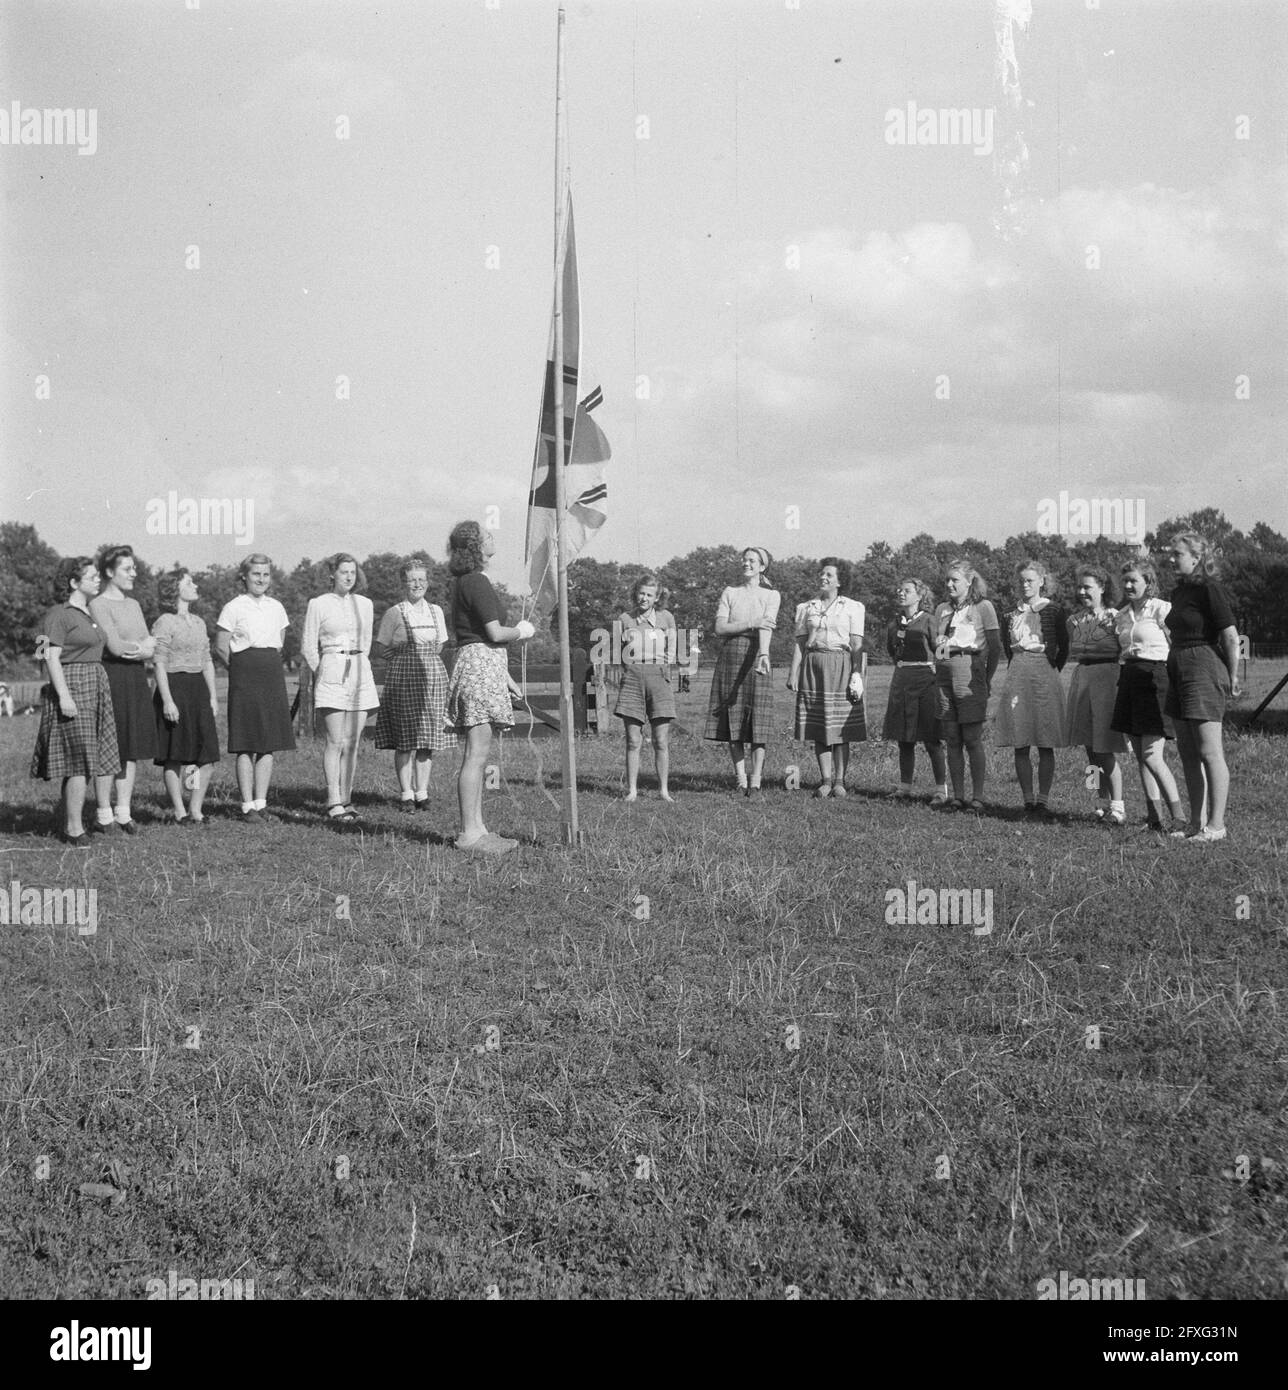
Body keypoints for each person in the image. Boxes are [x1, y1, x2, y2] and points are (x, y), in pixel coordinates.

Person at [443, 521, 535, 853]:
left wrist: (506, 680)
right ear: (476, 547)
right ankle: (469, 835)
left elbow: (480, 638)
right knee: (476, 754)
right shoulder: (477, 581)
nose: (494, 539)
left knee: (479, 755)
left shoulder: (466, 582)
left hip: (483, 669)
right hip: (479, 669)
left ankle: (478, 828)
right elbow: (495, 634)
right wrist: (522, 631)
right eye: (488, 537)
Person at [30, 556, 121, 844]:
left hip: (95, 684)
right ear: (73, 582)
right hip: (73, 686)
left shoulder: (88, 611)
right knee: (78, 760)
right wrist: (64, 695)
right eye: (92, 576)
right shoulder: (58, 614)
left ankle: (75, 822)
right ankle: (73, 829)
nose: (98, 579)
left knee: (89, 758)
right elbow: (47, 656)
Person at [1164, 532, 1240, 842]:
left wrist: (1232, 677)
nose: (1171, 558)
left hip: (1203, 666)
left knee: (1209, 751)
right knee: (1187, 751)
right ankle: (1195, 823)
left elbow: (1231, 636)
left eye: (1177, 553)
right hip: (1179, 665)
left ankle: (1216, 825)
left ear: (1196, 558)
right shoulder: (1179, 592)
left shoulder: (1210, 588)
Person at [214, 554, 295, 824]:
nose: (261, 579)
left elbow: (280, 641)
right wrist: (240, 669)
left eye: (265, 575)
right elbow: (221, 645)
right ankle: (247, 805)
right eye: (256, 574)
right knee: (247, 742)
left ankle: (262, 803)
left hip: (271, 672)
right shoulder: (234, 607)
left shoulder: (276, 607)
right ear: (244, 577)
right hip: (245, 674)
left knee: (268, 742)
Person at [1110, 557, 1186, 833]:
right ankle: (1155, 818)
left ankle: (1179, 819)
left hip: (1156, 679)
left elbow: (1178, 643)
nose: (1129, 585)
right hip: (1129, 678)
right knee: (1141, 756)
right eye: (1125, 581)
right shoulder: (1121, 615)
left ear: (1148, 582)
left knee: (1154, 755)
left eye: (1134, 580)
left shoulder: (1162, 609)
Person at [302, 554, 379, 822]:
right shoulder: (319, 604)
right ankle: (333, 801)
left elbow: (367, 641)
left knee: (352, 741)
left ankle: (347, 798)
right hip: (332, 672)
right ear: (332, 574)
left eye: (353, 572)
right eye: (344, 572)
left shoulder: (365, 605)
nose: (349, 577)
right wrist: (323, 670)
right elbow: (309, 646)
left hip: (359, 673)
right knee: (335, 741)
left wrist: (358, 664)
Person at [373, 560, 451, 812]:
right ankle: (406, 793)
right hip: (404, 676)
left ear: (428, 582)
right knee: (405, 739)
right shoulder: (395, 612)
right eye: (412, 579)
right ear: (404, 583)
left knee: (427, 738)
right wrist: (402, 655)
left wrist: (426, 659)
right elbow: (380, 648)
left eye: (421, 579)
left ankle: (422, 792)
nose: (417, 584)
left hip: (432, 677)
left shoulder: (436, 611)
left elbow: (439, 645)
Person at [90, 544, 157, 834]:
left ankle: (124, 812)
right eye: (127, 569)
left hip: (136, 679)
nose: (134, 573)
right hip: (111, 678)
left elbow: (151, 645)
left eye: (134, 568)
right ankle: (103, 813)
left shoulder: (134, 604)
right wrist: (140, 648)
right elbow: (115, 647)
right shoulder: (98, 604)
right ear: (108, 572)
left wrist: (140, 650)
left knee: (131, 747)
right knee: (110, 746)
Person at [786, 557, 866, 798]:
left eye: (829, 575)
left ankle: (840, 781)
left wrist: (857, 674)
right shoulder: (806, 607)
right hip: (813, 666)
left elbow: (856, 643)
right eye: (822, 574)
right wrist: (794, 672)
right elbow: (800, 644)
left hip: (841, 665)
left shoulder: (853, 607)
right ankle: (825, 780)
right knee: (820, 726)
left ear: (839, 581)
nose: (823, 578)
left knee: (840, 727)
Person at [705, 546, 780, 800]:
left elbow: (766, 626)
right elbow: (720, 627)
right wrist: (750, 622)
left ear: (762, 567)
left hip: (758, 655)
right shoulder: (730, 592)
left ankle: (756, 782)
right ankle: (740, 779)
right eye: (744, 560)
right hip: (732, 656)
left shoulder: (771, 595)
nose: (746, 563)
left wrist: (764, 654)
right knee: (734, 717)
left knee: (759, 719)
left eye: (752, 561)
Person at [996, 561, 1069, 817]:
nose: (1025, 585)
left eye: (1030, 580)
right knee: (1021, 740)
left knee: (1046, 740)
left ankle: (1044, 800)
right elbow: (1007, 647)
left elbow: (1064, 646)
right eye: (1021, 581)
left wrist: (1050, 667)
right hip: (1018, 671)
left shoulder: (1054, 610)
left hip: (1044, 672)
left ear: (1041, 581)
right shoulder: (1009, 614)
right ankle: (1027, 799)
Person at [151, 569, 220, 825]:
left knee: (205, 755)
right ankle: (180, 812)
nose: (195, 585)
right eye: (189, 582)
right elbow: (158, 662)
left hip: (198, 689)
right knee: (175, 754)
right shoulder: (165, 621)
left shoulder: (199, 622)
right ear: (174, 589)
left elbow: (207, 660)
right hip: (174, 686)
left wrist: (212, 696)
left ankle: (196, 809)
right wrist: (167, 700)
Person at [932, 559, 1001, 811]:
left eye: (955, 580)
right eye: (947, 580)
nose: (949, 584)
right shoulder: (941, 609)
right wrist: (939, 668)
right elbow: (938, 645)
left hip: (969, 670)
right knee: (951, 738)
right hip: (944, 674)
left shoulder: (984, 607)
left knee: (971, 737)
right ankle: (958, 795)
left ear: (969, 581)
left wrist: (987, 676)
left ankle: (978, 796)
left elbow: (994, 647)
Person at [1064, 566, 1128, 825]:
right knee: (1089, 747)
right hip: (1083, 678)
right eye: (1079, 587)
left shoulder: (1117, 617)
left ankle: (1118, 805)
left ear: (1102, 587)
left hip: (1107, 679)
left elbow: (1125, 650)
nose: (1082, 592)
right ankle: (1100, 802)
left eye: (1087, 587)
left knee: (1104, 746)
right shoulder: (1074, 621)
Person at [881, 578, 948, 803]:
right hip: (901, 680)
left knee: (931, 738)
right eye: (900, 590)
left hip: (926, 681)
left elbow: (940, 651)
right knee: (903, 737)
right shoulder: (894, 624)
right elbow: (892, 651)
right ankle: (905, 787)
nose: (901, 593)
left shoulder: (930, 620)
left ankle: (941, 789)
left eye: (907, 591)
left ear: (919, 596)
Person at [613, 574, 677, 801]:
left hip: (659, 678)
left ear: (657, 597)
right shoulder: (624, 619)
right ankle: (632, 790)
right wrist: (631, 671)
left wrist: (662, 671)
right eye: (641, 593)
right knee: (633, 739)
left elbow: (672, 649)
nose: (644, 598)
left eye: (649, 595)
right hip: (632, 679)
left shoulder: (666, 617)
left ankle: (663, 790)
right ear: (635, 593)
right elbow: (619, 652)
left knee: (660, 739)